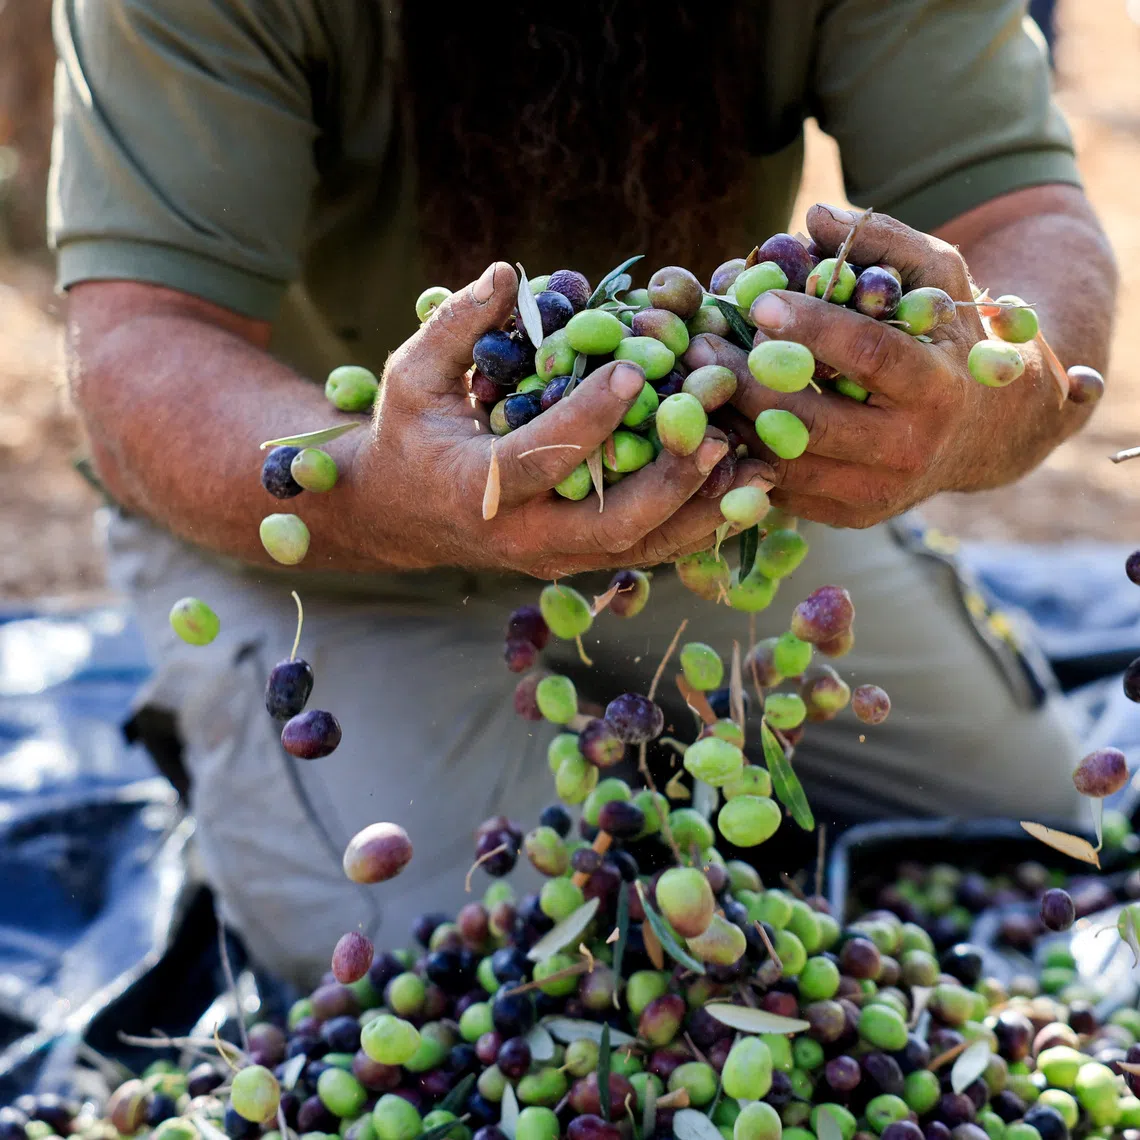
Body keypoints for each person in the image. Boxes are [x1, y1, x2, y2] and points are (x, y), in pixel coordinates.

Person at [49, 0, 1116, 986]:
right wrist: (383, 492)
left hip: (703, 494)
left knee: (1028, 828)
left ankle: (625, 731)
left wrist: (975, 407)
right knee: (522, 971)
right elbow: (144, 342)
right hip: (317, 532)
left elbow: (1026, 223)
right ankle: (243, 743)